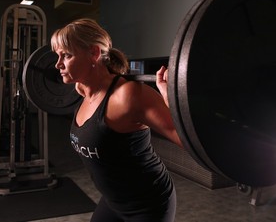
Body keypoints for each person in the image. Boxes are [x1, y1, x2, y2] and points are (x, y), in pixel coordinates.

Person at [51, 18, 183, 222]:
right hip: (114, 202)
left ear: (94, 53)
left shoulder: (127, 96)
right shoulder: (81, 91)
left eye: (66, 55)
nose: (58, 64)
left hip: (148, 204)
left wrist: (172, 102)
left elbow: (185, 138)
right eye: (57, 56)